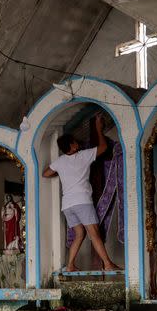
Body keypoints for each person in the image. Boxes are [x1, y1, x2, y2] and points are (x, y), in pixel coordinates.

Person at [42, 113, 120, 272]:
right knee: (94, 233)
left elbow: (45, 173)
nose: (78, 143)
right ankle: (107, 264)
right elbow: (104, 148)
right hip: (82, 201)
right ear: (72, 146)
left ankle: (70, 265)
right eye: (75, 142)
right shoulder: (83, 156)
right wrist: (99, 130)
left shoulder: (60, 161)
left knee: (79, 234)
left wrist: (62, 172)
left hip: (67, 205)